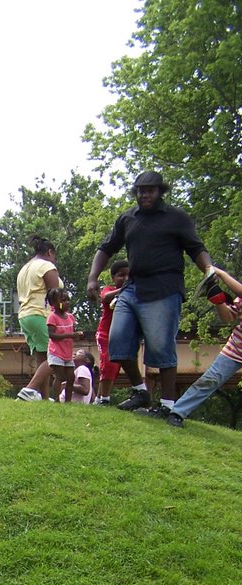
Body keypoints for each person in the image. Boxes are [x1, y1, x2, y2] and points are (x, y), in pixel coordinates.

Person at [86, 170, 214, 418]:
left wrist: (209, 272)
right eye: (141, 190)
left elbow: (197, 249)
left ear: (160, 192)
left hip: (164, 289)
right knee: (118, 341)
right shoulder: (128, 218)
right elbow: (106, 248)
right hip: (133, 289)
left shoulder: (176, 218)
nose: (145, 194)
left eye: (150, 190)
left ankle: (167, 406)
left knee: (160, 347)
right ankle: (141, 391)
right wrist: (93, 277)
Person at [165, 266, 242, 428]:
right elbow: (228, 317)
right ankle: (177, 413)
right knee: (209, 380)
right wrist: (218, 300)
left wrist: (220, 274)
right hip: (236, 348)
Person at [17, 289, 84, 402]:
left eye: (68, 300)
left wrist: (77, 335)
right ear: (53, 303)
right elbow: (52, 335)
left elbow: (72, 332)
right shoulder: (52, 317)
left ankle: (68, 401)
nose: (67, 302)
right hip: (56, 352)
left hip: (67, 353)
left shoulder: (71, 317)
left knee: (71, 377)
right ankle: (57, 400)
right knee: (59, 377)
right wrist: (71, 335)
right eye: (63, 300)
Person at [16, 235, 63, 387]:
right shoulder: (46, 266)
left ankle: (42, 398)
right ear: (50, 252)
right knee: (54, 357)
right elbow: (55, 295)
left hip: (25, 316)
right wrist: (62, 316)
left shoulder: (25, 268)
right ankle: (29, 390)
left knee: (42, 359)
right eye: (54, 256)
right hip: (41, 315)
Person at [93, 260, 128, 404]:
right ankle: (105, 399)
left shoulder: (133, 293)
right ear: (113, 277)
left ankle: (99, 398)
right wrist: (124, 289)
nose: (126, 278)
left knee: (113, 368)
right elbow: (106, 298)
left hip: (121, 336)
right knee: (108, 363)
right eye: (121, 275)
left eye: (129, 276)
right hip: (105, 334)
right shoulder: (108, 289)